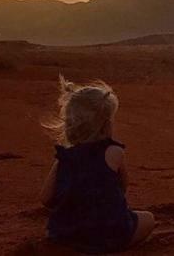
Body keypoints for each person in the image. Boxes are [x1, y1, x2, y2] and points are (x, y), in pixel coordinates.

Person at [40, 76, 155, 252]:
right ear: (106, 125)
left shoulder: (64, 158)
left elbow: (46, 198)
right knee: (148, 219)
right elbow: (122, 186)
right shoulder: (114, 152)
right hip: (109, 233)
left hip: (67, 234)